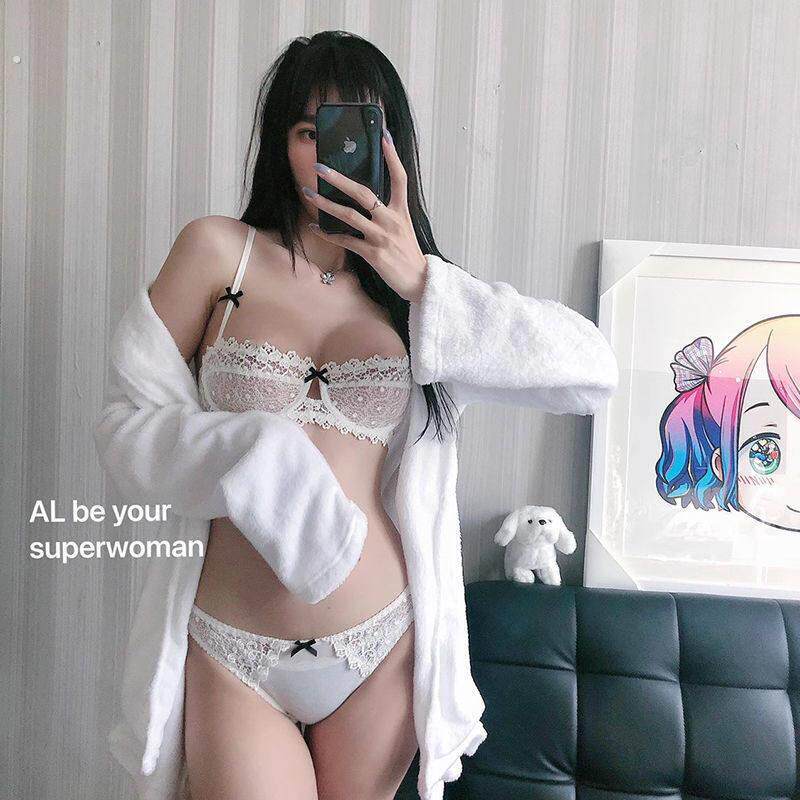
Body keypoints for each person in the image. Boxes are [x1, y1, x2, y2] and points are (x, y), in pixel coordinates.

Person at [96, 30, 619, 800]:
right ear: (280, 142)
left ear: (389, 147)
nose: (327, 154)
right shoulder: (216, 252)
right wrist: (251, 450)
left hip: (382, 648)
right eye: (308, 131)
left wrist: (424, 281)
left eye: (351, 131)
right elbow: (124, 425)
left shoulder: (422, 299)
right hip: (234, 647)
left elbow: (592, 372)